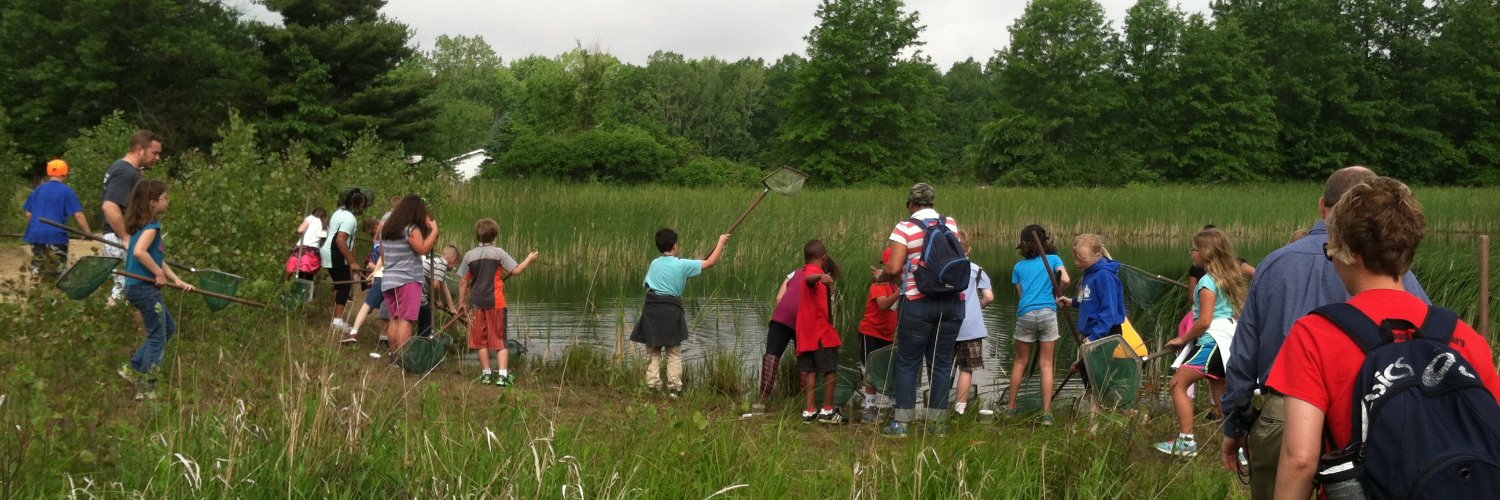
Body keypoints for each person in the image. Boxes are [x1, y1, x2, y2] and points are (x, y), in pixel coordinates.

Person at [1268, 176, 1500, 499]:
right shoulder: (1463, 336)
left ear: (1352, 253)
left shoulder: (1314, 336)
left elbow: (1300, 460)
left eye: (1331, 251)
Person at [1219, 167, 1428, 499]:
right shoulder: (1397, 276)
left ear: (1322, 206)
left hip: (1282, 416)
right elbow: (1424, 347)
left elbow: (1244, 353)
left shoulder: (1274, 265)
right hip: (1368, 418)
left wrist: (1236, 421)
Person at [879, 182, 965, 437]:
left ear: (910, 204)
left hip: (918, 302)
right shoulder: (950, 223)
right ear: (933, 203)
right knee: (940, 364)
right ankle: (938, 426)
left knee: (908, 362)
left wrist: (881, 277)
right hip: (952, 302)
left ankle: (901, 424)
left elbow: (894, 268)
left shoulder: (904, 227)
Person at [1155, 228, 1247, 457]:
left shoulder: (1206, 281)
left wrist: (1183, 339)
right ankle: (1242, 449)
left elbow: (1205, 320)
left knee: (1177, 384)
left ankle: (1186, 441)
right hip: (1227, 341)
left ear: (1205, 252)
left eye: (1194, 249)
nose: (1191, 253)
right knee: (1221, 397)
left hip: (1211, 341)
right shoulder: (1226, 277)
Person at [114, 180, 192, 401]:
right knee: (158, 334)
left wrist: (176, 279)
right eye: (165, 198)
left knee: (168, 327)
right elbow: (139, 252)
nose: (168, 202)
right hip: (144, 288)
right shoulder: (151, 227)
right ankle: (147, 385)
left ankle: (133, 369)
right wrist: (158, 274)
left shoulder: (142, 227)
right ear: (152, 203)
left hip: (137, 288)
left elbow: (157, 258)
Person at [629, 228, 730, 398]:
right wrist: (721, 242)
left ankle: (652, 387)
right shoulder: (683, 265)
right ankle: (674, 390)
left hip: (651, 309)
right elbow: (710, 263)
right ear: (675, 245)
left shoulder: (654, 263)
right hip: (671, 310)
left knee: (653, 351)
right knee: (673, 352)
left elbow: (648, 285)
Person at [458, 219, 538, 387]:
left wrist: (462, 302)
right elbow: (516, 271)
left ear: (477, 235)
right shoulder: (498, 253)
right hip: (496, 303)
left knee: (481, 341)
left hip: (476, 303)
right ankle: (502, 376)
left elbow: (463, 281)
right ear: (495, 235)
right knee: (500, 340)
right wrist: (529, 259)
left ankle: (486, 375)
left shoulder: (469, 255)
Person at [1057, 234, 1126, 415]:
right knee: (1087, 374)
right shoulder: (1088, 274)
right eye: (1075, 258)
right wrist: (1072, 302)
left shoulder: (1104, 276)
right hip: (1091, 333)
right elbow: (1085, 297)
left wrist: (1095, 337)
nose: (1077, 262)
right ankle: (1097, 412)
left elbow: (1109, 312)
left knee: (1097, 375)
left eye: (1082, 258)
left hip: (1105, 333)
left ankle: (1106, 410)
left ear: (1097, 255)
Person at [1006, 224, 1069, 423]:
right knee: (1047, 364)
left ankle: (1011, 408)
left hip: (1026, 313)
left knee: (1020, 362)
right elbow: (1066, 280)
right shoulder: (1054, 259)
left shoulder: (1018, 267)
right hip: (1048, 312)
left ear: (1023, 246)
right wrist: (1058, 294)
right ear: (1044, 243)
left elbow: (1022, 296)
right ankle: (1047, 413)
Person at [100, 130, 162, 306]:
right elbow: (109, 206)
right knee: (127, 291)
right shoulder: (125, 172)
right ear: (139, 149)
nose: (157, 158)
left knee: (128, 291)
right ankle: (112, 319)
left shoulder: (129, 170)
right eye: (154, 153)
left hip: (121, 236)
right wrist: (127, 238)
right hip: (119, 237)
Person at [378, 195, 438, 356]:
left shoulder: (386, 229)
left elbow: (383, 256)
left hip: (389, 279)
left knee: (395, 319)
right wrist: (434, 231)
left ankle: (394, 356)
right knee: (406, 320)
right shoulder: (410, 229)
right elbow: (423, 248)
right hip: (408, 279)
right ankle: (404, 357)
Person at [747, 265, 807, 416]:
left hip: (781, 318)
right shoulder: (825, 280)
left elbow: (780, 298)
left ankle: (762, 400)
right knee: (805, 361)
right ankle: (805, 404)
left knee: (772, 355)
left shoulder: (795, 273)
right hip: (805, 323)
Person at [796, 240, 845, 424]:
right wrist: (820, 277)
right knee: (830, 370)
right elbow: (809, 279)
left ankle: (810, 411)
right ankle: (828, 410)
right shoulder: (812, 272)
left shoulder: (807, 269)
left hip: (806, 332)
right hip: (820, 332)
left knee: (811, 370)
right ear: (823, 257)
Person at [22, 159, 92, 280]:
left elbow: (29, 214)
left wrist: (37, 228)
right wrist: (87, 232)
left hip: (36, 235)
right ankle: (54, 290)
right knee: (57, 271)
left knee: (39, 268)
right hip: (56, 236)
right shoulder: (67, 191)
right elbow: (78, 214)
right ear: (65, 174)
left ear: (48, 173)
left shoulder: (38, 190)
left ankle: (39, 289)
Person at [952, 231, 994, 416]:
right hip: (971, 327)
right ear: (968, 249)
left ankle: (937, 407)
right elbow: (989, 297)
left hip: (947, 325)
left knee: (941, 367)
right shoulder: (977, 270)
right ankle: (960, 409)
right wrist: (977, 307)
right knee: (967, 369)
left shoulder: (943, 270)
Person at [856, 250, 900, 423]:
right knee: (870, 371)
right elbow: (882, 304)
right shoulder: (880, 284)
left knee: (891, 370)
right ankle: (869, 407)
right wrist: (899, 293)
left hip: (888, 336)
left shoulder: (895, 285)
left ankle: (894, 407)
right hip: (870, 333)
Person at [321, 189, 367, 333]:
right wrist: (352, 262)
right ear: (355, 205)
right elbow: (340, 241)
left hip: (329, 251)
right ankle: (337, 321)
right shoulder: (349, 219)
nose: (363, 209)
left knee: (339, 284)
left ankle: (336, 317)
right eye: (362, 206)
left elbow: (348, 241)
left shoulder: (339, 212)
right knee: (344, 286)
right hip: (335, 253)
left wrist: (353, 260)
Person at [287, 207, 326, 280]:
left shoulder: (311, 218)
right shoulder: (324, 225)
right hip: (313, 253)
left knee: (299, 275)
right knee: (308, 277)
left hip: (302, 249)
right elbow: (322, 241)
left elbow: (300, 230)